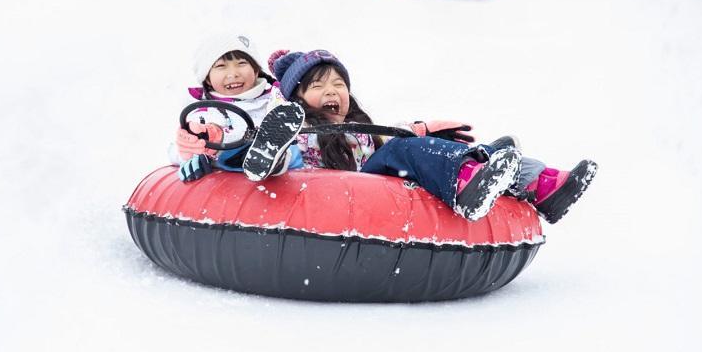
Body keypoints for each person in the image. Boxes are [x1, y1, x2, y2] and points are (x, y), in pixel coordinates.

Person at [248, 49, 598, 224]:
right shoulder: (298, 131)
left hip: (374, 187)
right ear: (297, 98)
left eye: (339, 84)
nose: (333, 91)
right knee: (406, 150)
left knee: (467, 150)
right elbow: (287, 160)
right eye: (319, 85)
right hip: (342, 198)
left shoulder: (360, 127)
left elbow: (386, 148)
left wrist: (424, 133)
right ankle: (466, 185)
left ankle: (541, 184)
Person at [170, 33, 304, 181]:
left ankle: (274, 156)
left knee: (286, 137)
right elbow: (175, 149)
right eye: (221, 66)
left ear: (256, 70)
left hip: (288, 171)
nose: (233, 74)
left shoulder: (276, 100)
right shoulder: (202, 112)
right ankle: (258, 156)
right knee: (221, 148)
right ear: (207, 78)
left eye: (241, 63)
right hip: (226, 179)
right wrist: (189, 153)